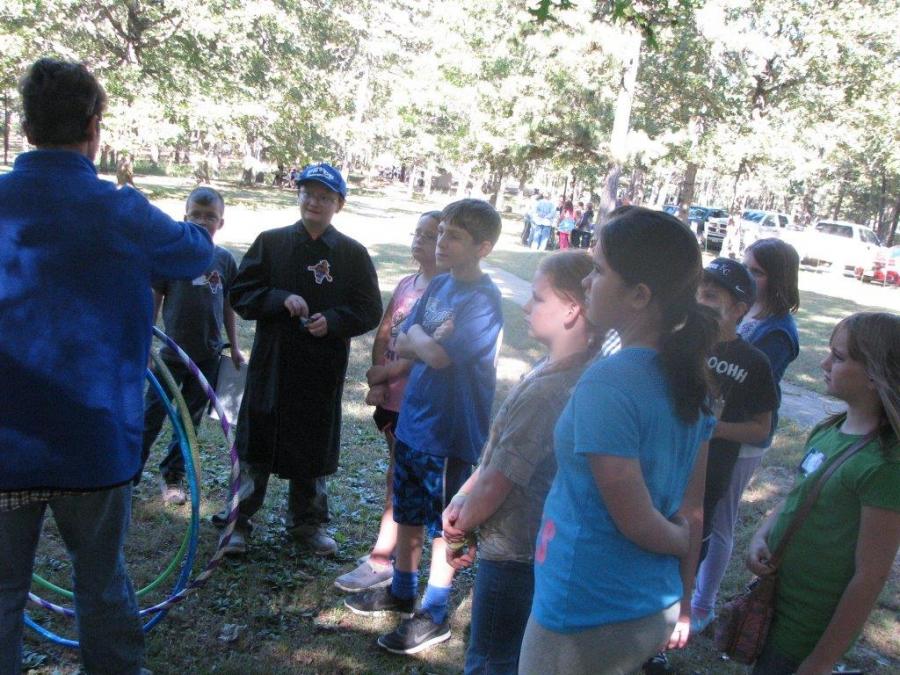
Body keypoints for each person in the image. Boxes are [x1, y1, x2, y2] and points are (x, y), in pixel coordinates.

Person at [0, 58, 213, 675]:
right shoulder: (120, 210)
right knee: (100, 581)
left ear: (27, 125)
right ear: (94, 127)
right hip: (90, 443)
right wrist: (168, 212)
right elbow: (194, 251)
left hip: (7, 442)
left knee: (4, 590)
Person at [519, 206, 719, 675]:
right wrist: (685, 598)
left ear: (639, 295)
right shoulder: (692, 377)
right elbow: (692, 505)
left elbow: (643, 522)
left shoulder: (609, 382)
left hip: (588, 610)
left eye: (599, 270)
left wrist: (679, 542)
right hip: (650, 603)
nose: (587, 281)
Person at [345, 199, 504, 656]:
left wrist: (422, 342)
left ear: (484, 247)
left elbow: (434, 356)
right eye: (441, 234)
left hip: (450, 433)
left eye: (453, 237)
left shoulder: (483, 300)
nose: (442, 242)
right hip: (414, 423)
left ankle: (434, 612)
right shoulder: (440, 288)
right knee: (410, 513)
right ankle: (401, 588)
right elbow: (409, 340)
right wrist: (422, 341)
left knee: (445, 526)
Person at [442, 251, 598, 674]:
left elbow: (502, 478)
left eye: (537, 298)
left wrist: (460, 520)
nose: (527, 306)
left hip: (515, 552)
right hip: (523, 544)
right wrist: (461, 495)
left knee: (492, 659)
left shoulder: (552, 391)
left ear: (571, 309)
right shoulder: (555, 370)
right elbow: (495, 456)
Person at [222, 163, 382, 556]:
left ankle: (307, 525)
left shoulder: (351, 253)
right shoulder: (271, 242)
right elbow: (241, 294)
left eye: (325, 197)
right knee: (257, 440)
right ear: (298, 196)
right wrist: (278, 299)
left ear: (338, 205)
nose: (315, 202)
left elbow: (369, 309)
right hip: (271, 366)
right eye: (308, 194)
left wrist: (334, 321)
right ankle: (238, 522)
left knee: (312, 444)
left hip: (320, 370)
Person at [747, 312, 900, 675]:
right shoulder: (830, 428)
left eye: (840, 357)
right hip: (774, 608)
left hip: (807, 633)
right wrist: (761, 535)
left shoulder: (885, 466)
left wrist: (821, 660)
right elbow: (799, 493)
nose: (824, 362)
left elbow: (870, 575)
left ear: (877, 377)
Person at [692, 238, 801, 625]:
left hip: (719, 462)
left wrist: (715, 427)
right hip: (674, 465)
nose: (701, 301)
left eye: (757, 270)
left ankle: (697, 606)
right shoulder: (682, 341)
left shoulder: (768, 342)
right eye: (698, 292)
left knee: (710, 526)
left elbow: (759, 423)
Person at [333, 211, 442, 592]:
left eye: (431, 235)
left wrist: (389, 374)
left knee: (402, 477)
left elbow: (430, 350)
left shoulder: (442, 293)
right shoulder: (408, 284)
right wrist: (378, 374)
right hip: (391, 400)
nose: (420, 240)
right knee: (394, 473)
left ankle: (384, 558)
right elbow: (385, 332)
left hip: (417, 401)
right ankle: (391, 555)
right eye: (418, 232)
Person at [141, 186, 244, 505]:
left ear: (221, 222)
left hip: (207, 357)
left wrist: (235, 347)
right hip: (171, 355)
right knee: (151, 416)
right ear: (184, 217)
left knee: (188, 422)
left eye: (210, 217)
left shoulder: (225, 260)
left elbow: (228, 305)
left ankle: (173, 477)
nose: (202, 221)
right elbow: (154, 300)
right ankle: (127, 475)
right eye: (195, 215)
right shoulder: (171, 258)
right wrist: (145, 341)